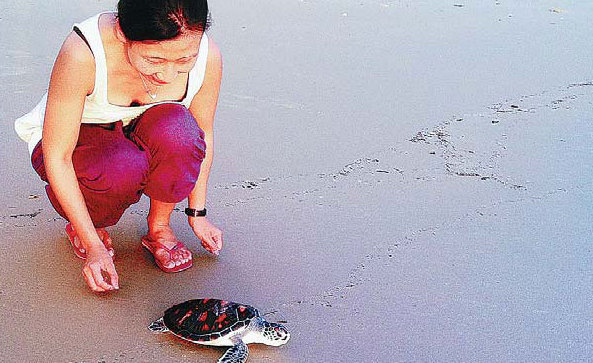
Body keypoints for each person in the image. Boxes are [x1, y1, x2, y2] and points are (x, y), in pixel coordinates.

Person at [14, 0, 223, 292]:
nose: (167, 76)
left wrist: (198, 213)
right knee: (121, 165)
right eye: (154, 60)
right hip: (76, 144)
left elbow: (204, 134)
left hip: (143, 130)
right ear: (122, 33)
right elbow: (57, 154)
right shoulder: (82, 53)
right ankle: (89, 225)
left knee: (181, 132)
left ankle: (159, 228)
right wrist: (93, 246)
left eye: (184, 60)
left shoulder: (207, 55)